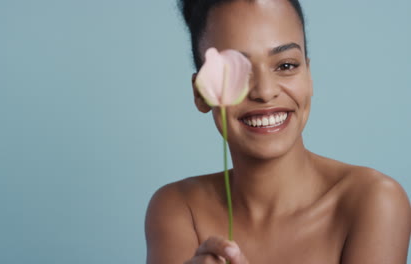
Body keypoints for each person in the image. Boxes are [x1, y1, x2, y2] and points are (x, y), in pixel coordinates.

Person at [145, 0, 411, 263]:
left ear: (308, 75)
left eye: (286, 66)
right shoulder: (178, 208)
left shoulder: (374, 201)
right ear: (201, 93)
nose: (265, 91)